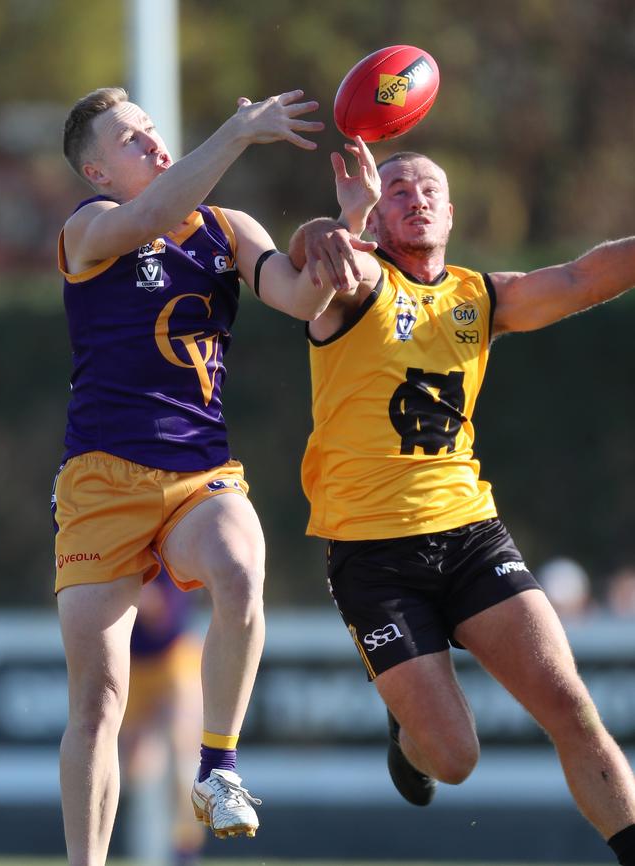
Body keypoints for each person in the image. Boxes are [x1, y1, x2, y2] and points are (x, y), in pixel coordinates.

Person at [288, 142, 635, 865]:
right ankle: (410, 740)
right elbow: (307, 254)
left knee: (570, 706)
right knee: (454, 758)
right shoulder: (356, 283)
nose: (415, 196)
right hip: (373, 558)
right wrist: (324, 228)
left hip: (471, 535)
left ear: (450, 211)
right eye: (398, 189)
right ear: (377, 216)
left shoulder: (480, 297)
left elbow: (580, 277)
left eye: (429, 189)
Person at [53, 86, 369, 866]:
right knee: (98, 701)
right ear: (97, 172)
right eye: (130, 139)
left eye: (152, 129)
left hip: (197, 475)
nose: (153, 142)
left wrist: (352, 223)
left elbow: (299, 298)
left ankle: (218, 768)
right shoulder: (89, 228)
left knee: (240, 568)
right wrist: (238, 130)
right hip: (100, 482)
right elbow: (146, 219)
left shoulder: (228, 229)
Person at [120, 569, 206, 865]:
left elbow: (161, 613)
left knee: (183, 753)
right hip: (129, 663)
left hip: (174, 654)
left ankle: (185, 850)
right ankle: (148, 854)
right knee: (138, 769)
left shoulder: (168, 535)